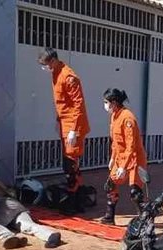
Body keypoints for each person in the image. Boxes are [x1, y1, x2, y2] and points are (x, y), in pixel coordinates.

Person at [38, 47, 90, 214]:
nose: (45, 69)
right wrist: (58, 121)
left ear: (53, 61)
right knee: (72, 165)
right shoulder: (56, 73)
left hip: (73, 126)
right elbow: (62, 104)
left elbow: (78, 105)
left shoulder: (68, 76)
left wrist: (73, 130)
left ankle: (73, 204)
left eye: (45, 65)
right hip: (65, 123)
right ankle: (78, 201)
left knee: (70, 166)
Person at [100, 88, 148, 225]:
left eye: (106, 102)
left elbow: (130, 145)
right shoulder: (114, 116)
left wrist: (124, 166)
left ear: (114, 103)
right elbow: (116, 142)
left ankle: (143, 221)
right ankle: (109, 216)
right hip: (121, 157)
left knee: (135, 193)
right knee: (110, 185)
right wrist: (113, 158)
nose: (105, 105)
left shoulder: (127, 118)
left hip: (135, 159)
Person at [0, 184, 61, 249]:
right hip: (14, 206)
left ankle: (8, 237)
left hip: (5, 206)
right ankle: (51, 235)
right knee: (27, 226)